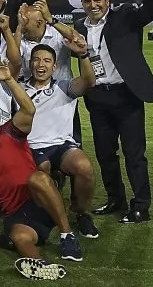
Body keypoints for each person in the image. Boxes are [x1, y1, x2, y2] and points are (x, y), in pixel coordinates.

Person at [0, 62, 81, 280]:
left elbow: (29, 109)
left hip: (39, 201)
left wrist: (9, 80)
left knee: (37, 178)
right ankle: (40, 265)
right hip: (15, 214)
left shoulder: (9, 131)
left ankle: (67, 235)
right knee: (19, 237)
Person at [74, 0, 153, 224]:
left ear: (107, 1)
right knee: (105, 153)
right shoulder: (79, 27)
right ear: (83, 5)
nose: (93, 5)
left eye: (97, 0)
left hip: (127, 95)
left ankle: (141, 205)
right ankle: (116, 199)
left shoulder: (124, 16)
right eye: (88, 2)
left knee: (134, 153)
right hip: (97, 97)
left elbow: (151, 10)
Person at [25, 42, 100, 239]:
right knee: (44, 168)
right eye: (37, 59)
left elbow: (88, 81)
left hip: (62, 146)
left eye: (47, 61)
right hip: (32, 147)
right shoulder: (19, 88)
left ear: (54, 67)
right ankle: (50, 215)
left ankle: (82, 213)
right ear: (30, 63)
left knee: (84, 167)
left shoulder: (64, 87)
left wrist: (83, 55)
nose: (41, 64)